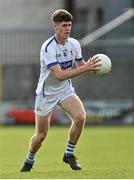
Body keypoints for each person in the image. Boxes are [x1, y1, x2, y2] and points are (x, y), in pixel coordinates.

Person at [20, 9, 101, 172]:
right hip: (46, 95)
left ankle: (69, 154)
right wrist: (86, 69)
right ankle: (29, 159)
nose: (68, 28)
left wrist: (92, 66)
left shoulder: (74, 44)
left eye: (70, 25)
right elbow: (60, 75)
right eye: (64, 25)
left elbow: (80, 65)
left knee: (80, 117)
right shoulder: (48, 48)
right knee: (41, 136)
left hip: (65, 91)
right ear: (55, 27)